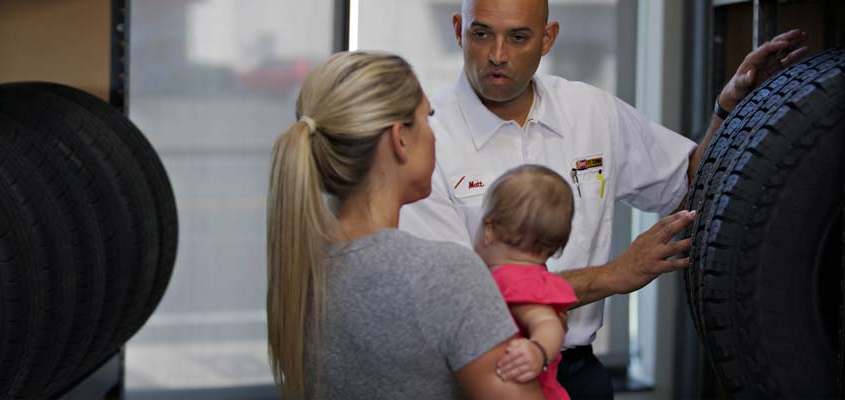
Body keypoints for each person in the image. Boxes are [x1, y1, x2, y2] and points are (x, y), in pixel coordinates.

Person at [397, 0, 810, 397]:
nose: (498, 55)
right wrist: (615, 274)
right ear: (459, 30)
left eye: (518, 37)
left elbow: (687, 182)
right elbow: (456, 296)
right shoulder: (426, 138)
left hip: (577, 373)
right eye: (482, 34)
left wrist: (729, 112)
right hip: (477, 376)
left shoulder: (589, 110)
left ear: (547, 38)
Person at [266, 51, 544, 399]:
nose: (434, 136)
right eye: (427, 118)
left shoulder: (301, 271)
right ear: (399, 139)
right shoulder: (442, 273)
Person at [474, 165, 579, 400]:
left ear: (489, 230)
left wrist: (538, 351)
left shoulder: (513, 279)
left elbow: (547, 323)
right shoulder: (533, 277)